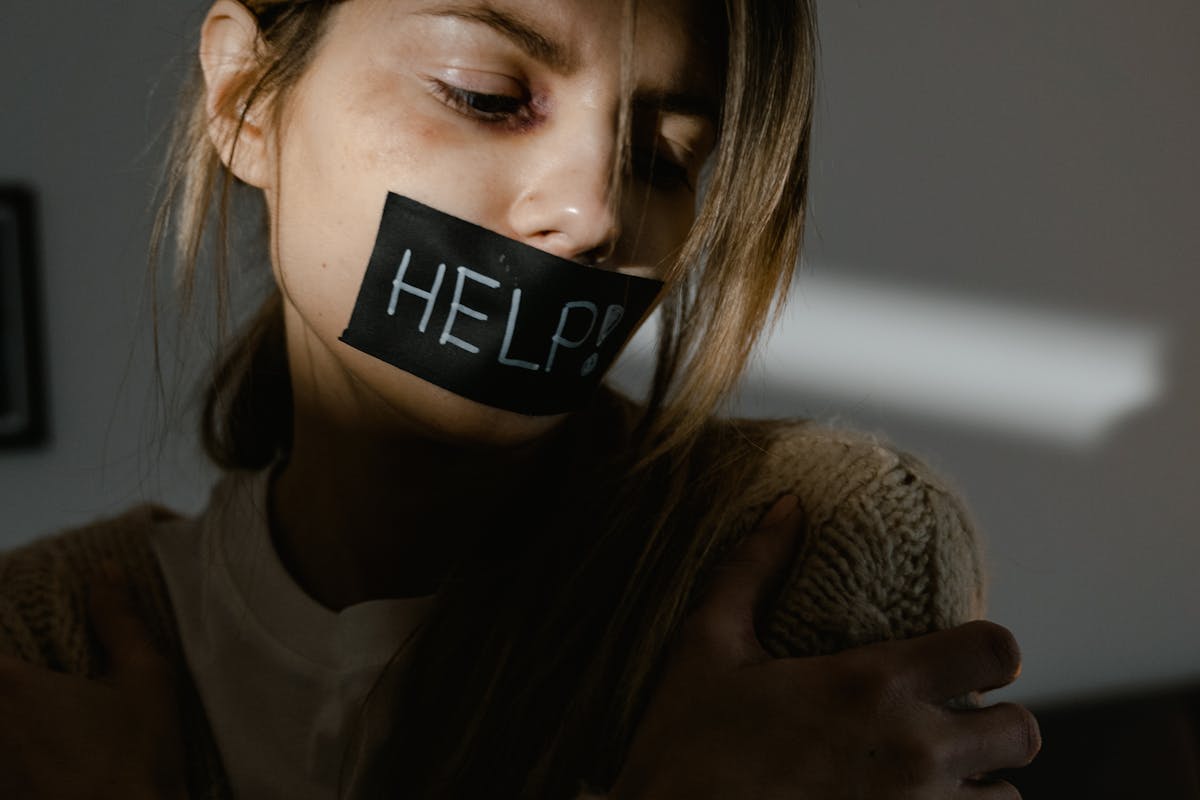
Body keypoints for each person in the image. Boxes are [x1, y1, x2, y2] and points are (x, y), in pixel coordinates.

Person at [0, 0, 1040, 797]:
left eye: (666, 155)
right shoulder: (39, 639)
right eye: (485, 94)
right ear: (247, 100)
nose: (594, 214)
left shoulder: (810, 543)